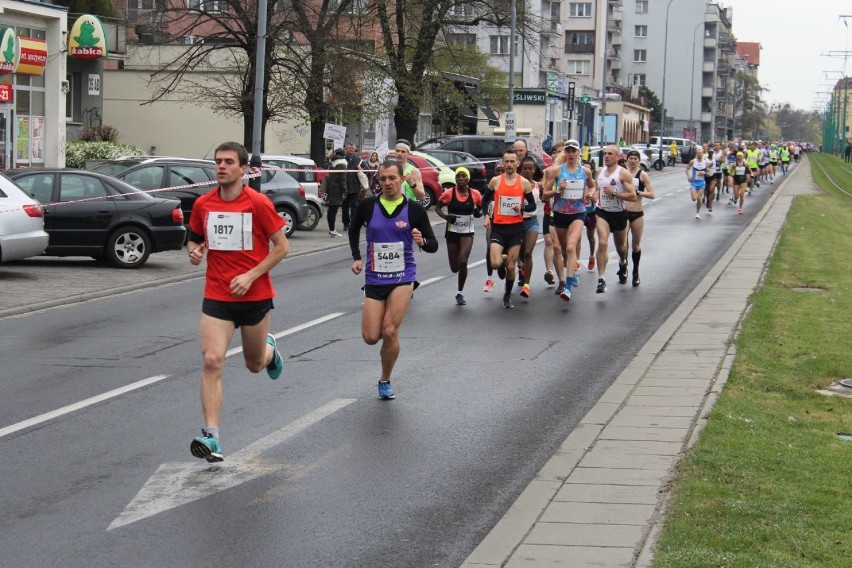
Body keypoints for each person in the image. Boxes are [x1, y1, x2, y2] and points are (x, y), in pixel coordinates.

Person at [186, 141, 289, 462]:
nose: (221, 166)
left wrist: (250, 275)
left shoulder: (257, 203)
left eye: (229, 161)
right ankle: (212, 437)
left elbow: (281, 247)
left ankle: (270, 352)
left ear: (243, 169)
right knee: (212, 361)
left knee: (254, 364)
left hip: (255, 295)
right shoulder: (203, 204)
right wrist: (194, 250)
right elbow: (193, 237)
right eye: (218, 161)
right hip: (217, 294)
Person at [349, 160, 438, 399]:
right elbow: (353, 228)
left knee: (389, 331)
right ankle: (386, 358)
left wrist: (422, 241)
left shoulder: (414, 209)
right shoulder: (368, 206)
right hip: (375, 278)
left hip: (402, 276)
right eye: (382, 179)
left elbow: (433, 245)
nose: (387, 183)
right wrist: (357, 257)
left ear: (402, 179)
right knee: (370, 337)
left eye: (392, 178)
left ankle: (385, 379)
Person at [541, 139, 596, 301]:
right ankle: (570, 271)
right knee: (564, 251)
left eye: (574, 151)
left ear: (579, 153)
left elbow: (592, 186)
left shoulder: (585, 171)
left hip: (578, 213)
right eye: (568, 151)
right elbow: (545, 193)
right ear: (565, 153)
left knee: (572, 247)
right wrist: (558, 189)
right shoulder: (557, 171)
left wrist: (590, 194)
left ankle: (568, 287)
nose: (571, 154)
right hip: (559, 213)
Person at [483, 149, 536, 308]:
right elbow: (485, 200)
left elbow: (532, 205)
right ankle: (503, 259)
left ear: (518, 163)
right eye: (506, 161)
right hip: (499, 228)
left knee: (512, 267)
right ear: (503, 162)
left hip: (516, 229)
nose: (509, 164)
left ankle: (506, 297)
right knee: (494, 263)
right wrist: (486, 215)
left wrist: (522, 206)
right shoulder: (495, 181)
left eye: (512, 161)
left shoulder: (524, 183)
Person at [435, 167, 482, 305]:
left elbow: (480, 208)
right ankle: (459, 274)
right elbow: (437, 208)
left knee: (463, 260)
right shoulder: (449, 193)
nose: (460, 179)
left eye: (463, 176)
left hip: (467, 231)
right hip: (452, 231)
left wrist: (478, 213)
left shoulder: (475, 194)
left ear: (468, 178)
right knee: (455, 267)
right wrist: (446, 217)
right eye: (458, 177)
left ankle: (460, 293)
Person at [593, 145, 636, 293]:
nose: (606, 156)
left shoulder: (623, 174)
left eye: (610, 154)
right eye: (605, 154)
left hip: (619, 213)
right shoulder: (599, 172)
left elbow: (632, 195)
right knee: (603, 242)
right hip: (602, 211)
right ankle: (601, 279)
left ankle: (623, 262)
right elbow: (597, 189)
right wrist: (592, 195)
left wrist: (615, 193)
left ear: (618, 157)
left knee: (621, 247)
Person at [624, 149, 655, 287]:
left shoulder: (642, 175)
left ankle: (635, 272)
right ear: (627, 160)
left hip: (637, 213)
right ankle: (623, 266)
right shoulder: (622, 173)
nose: (633, 161)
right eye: (630, 158)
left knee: (635, 246)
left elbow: (652, 194)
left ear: (638, 161)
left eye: (635, 159)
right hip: (623, 213)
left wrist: (639, 192)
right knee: (623, 245)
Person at [517, 156, 542, 299]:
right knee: (520, 252)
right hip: (518, 221)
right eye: (524, 168)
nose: (527, 171)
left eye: (530, 168)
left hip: (532, 222)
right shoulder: (517, 184)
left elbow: (546, 197)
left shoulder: (538, 186)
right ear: (521, 170)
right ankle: (521, 268)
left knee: (528, 253)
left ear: (534, 170)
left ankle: (526, 285)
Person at [324, 148, 348, 237]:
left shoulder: (332, 163)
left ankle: (331, 229)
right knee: (334, 211)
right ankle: (332, 230)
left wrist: (328, 157)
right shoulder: (342, 164)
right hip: (337, 190)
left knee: (330, 210)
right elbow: (343, 179)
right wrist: (345, 190)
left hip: (331, 189)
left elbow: (324, 164)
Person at [342, 144, 363, 230]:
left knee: (355, 206)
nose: (351, 149)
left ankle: (354, 223)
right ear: (346, 149)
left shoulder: (358, 160)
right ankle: (346, 224)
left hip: (355, 186)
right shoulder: (342, 159)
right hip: (345, 187)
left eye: (352, 148)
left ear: (355, 149)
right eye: (349, 148)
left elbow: (364, 171)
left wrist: (361, 169)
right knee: (345, 206)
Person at [687, 146, 710, 219]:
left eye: (701, 153)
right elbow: (687, 169)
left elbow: (708, 172)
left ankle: (697, 212)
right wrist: (689, 177)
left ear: (703, 154)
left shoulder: (705, 162)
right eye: (698, 153)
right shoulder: (693, 161)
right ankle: (693, 191)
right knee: (694, 198)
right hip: (694, 182)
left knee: (699, 198)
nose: (699, 154)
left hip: (701, 182)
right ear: (696, 154)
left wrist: (704, 174)